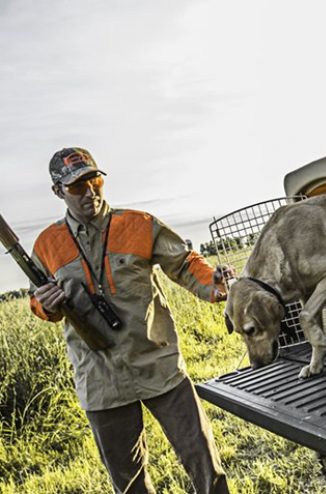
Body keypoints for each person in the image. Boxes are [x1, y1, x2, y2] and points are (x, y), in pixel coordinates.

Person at [29, 147, 230, 494]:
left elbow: (183, 263)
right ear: (57, 191)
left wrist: (214, 284)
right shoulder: (47, 244)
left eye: (94, 181)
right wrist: (45, 305)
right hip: (100, 379)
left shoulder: (139, 224)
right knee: (129, 482)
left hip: (158, 363)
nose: (89, 191)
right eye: (77, 186)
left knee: (205, 464)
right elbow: (38, 300)